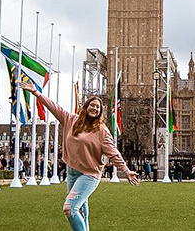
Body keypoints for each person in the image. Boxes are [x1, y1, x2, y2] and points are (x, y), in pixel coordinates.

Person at [21, 81, 139, 231]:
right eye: (92, 105)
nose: (95, 108)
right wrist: (35, 92)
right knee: (81, 210)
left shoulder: (102, 131)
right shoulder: (71, 119)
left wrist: (126, 170)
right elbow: (53, 106)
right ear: (86, 106)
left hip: (89, 175)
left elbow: (113, 152)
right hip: (72, 172)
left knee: (70, 208)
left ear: (100, 112)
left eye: (98, 107)